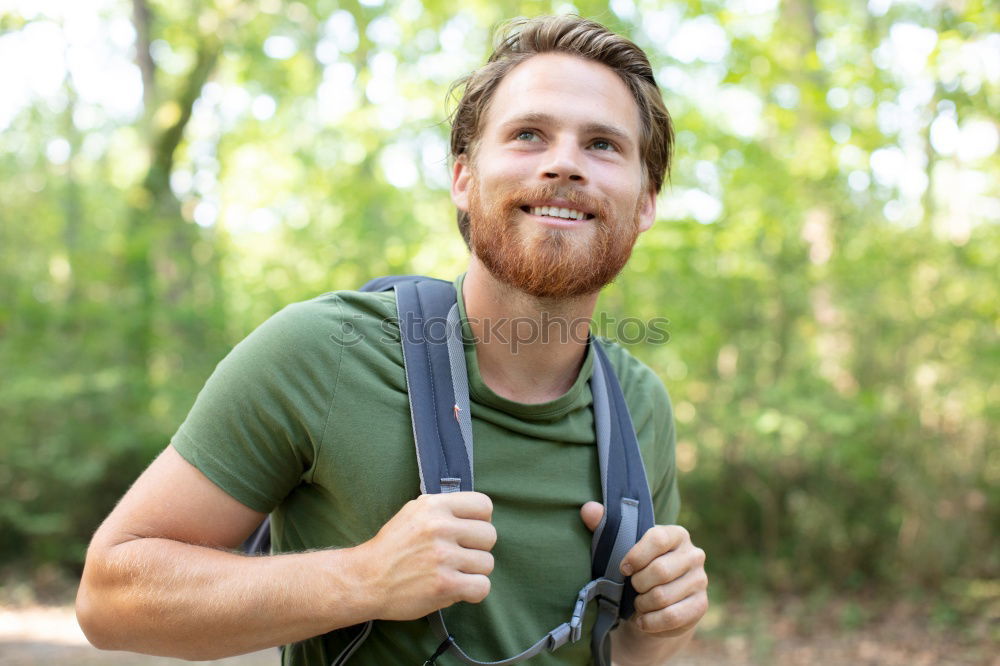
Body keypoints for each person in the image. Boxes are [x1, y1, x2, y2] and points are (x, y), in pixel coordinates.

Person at [76, 14, 708, 666]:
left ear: (646, 201)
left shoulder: (640, 408)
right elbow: (109, 598)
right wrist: (365, 578)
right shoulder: (323, 352)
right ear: (464, 178)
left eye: (603, 145)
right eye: (528, 135)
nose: (564, 163)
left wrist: (656, 636)